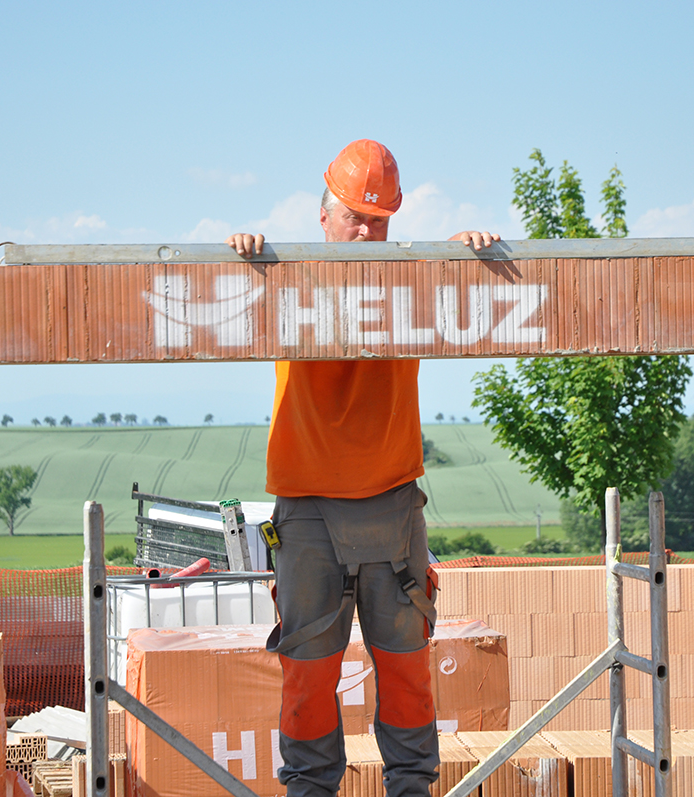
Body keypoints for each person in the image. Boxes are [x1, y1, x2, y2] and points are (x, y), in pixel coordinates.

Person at [225, 139, 499, 797]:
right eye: (354, 215)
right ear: (323, 216)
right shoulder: (284, 282)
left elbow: (465, 296)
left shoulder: (408, 284)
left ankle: (411, 788)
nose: (365, 229)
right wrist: (241, 255)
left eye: (378, 219)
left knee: (406, 667)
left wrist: (461, 256)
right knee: (309, 670)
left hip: (391, 506)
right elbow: (222, 299)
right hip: (307, 510)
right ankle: (310, 789)